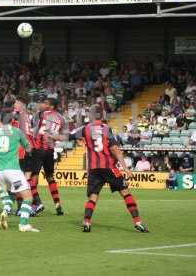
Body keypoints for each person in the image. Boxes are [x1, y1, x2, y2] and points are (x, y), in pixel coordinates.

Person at [68, 105, 148, 233]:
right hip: (109, 167)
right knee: (125, 192)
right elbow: (115, 149)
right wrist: (126, 169)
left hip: (94, 168)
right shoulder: (106, 130)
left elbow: (67, 136)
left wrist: (49, 135)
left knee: (93, 196)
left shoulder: (84, 129)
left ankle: (87, 222)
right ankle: (137, 222)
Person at [0, 112, 39, 232]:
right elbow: (29, 147)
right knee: (28, 197)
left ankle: (5, 212)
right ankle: (23, 224)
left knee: (12, 194)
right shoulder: (17, 132)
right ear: (12, 121)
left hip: (0, 173)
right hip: (13, 171)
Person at [31, 97, 66, 215]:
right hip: (50, 150)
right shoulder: (61, 118)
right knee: (50, 177)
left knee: (32, 177)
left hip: (39, 148)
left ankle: (36, 203)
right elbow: (63, 136)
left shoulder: (43, 113)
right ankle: (58, 205)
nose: (43, 104)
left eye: (46, 103)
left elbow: (34, 124)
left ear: (51, 106)